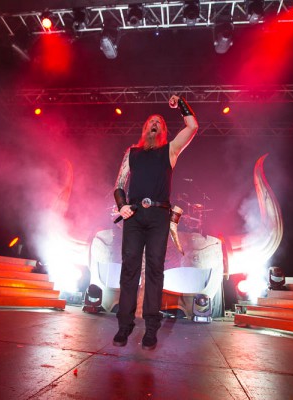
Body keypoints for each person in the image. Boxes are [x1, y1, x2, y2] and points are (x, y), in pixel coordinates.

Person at [112, 95, 198, 350]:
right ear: (144, 128)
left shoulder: (170, 150)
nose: (155, 123)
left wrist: (181, 102)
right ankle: (124, 326)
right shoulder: (132, 153)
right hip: (134, 215)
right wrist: (122, 205)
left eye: (159, 122)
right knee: (129, 269)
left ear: (163, 130)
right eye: (151, 121)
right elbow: (118, 185)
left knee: (154, 270)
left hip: (159, 215)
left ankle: (151, 329)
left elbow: (193, 126)